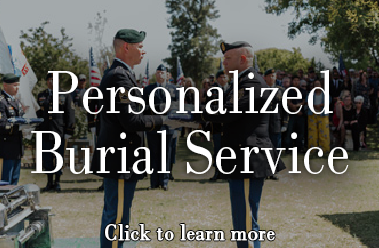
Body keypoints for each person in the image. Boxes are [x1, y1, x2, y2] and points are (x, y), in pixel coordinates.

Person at [90, 29, 174, 248]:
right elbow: (131, 120)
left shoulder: (123, 74)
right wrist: (162, 120)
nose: (143, 50)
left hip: (123, 157)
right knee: (117, 216)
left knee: (120, 215)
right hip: (120, 158)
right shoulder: (119, 75)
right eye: (140, 46)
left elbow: (139, 110)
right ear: (126, 47)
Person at [199, 41, 285, 248]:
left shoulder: (251, 83)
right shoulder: (239, 83)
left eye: (228, 58)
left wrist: (197, 114)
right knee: (242, 218)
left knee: (245, 219)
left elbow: (227, 112)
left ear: (243, 59)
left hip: (247, 157)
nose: (224, 62)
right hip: (241, 155)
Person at [36, 73, 76, 192]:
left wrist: (69, 130)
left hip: (59, 131)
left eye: (53, 80)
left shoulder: (65, 95)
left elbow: (70, 113)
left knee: (59, 157)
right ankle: (49, 182)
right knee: (47, 157)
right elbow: (38, 113)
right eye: (49, 80)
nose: (51, 82)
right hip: (45, 131)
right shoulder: (41, 95)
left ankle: (57, 182)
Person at [143, 64, 178, 190]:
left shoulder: (174, 89)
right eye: (158, 73)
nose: (160, 75)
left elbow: (178, 109)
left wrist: (177, 128)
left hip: (168, 128)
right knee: (154, 155)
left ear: (167, 75)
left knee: (166, 154)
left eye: (162, 73)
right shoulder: (148, 90)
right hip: (153, 127)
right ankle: (154, 183)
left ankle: (164, 182)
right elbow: (144, 108)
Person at [0, 73, 24, 185]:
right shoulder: (2, 102)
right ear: (5, 85)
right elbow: (2, 125)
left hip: (17, 145)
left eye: (18, 85)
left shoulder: (16, 102)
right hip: (7, 146)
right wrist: (16, 124)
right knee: (6, 179)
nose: (17, 88)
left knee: (15, 178)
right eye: (14, 85)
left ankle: (13, 200)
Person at [209, 70, 229, 180]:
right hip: (216, 125)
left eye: (224, 77)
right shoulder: (212, 90)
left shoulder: (233, 89)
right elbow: (208, 106)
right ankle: (217, 172)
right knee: (217, 150)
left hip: (229, 125)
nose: (223, 79)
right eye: (220, 77)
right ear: (217, 79)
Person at [307, 80, 330, 152]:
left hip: (322, 114)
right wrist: (315, 106)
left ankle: (324, 149)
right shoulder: (310, 94)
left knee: (324, 131)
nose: (317, 86)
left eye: (318, 84)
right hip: (312, 114)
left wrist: (320, 106)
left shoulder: (325, 94)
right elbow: (307, 102)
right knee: (312, 132)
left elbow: (328, 102)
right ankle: (313, 149)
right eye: (315, 84)